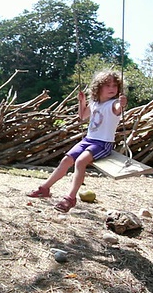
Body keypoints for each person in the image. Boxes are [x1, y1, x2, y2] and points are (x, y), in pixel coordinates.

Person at [27, 70, 128, 213]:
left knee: (80, 162)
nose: (112, 88)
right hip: (88, 140)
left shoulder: (114, 104)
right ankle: (45, 188)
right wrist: (82, 102)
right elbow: (82, 116)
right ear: (98, 88)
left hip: (103, 143)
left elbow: (118, 109)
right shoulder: (94, 103)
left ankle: (70, 198)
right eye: (107, 85)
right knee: (66, 160)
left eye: (114, 85)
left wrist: (122, 104)